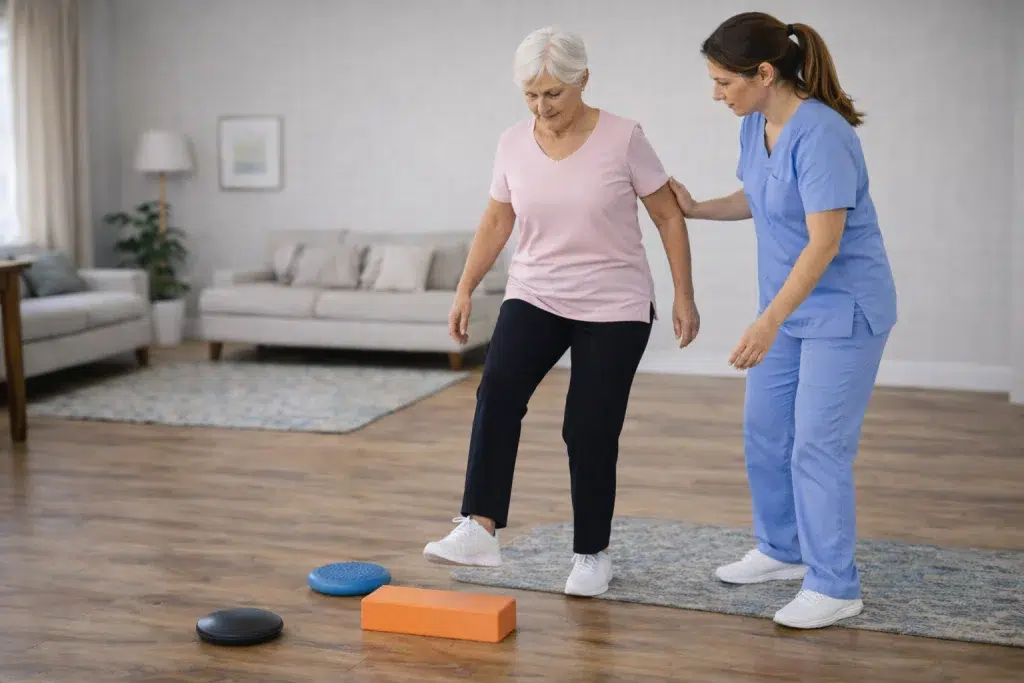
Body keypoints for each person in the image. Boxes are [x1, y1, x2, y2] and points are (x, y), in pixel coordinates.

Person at [423, 26, 700, 597]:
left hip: (614, 301)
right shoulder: (512, 143)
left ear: (583, 80)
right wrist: (464, 288)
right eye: (530, 95)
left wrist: (684, 295)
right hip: (537, 291)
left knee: (587, 427)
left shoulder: (624, 137)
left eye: (553, 93)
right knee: (497, 392)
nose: (542, 106)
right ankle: (479, 528)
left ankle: (592, 554)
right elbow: (497, 218)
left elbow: (667, 215)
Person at [669, 12, 898, 628]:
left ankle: (834, 585)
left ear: (765, 73)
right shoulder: (756, 124)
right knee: (766, 432)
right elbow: (761, 194)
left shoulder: (822, 135)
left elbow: (825, 242)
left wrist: (766, 321)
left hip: (843, 311)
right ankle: (783, 549)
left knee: (817, 446)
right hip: (789, 310)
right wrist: (697, 209)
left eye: (724, 82)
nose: (717, 94)